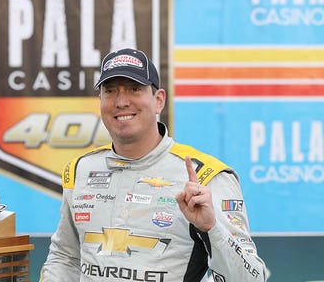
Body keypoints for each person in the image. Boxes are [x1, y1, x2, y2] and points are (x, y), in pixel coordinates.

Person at [40, 48, 269, 281]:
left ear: (159, 100)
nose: (121, 101)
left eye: (134, 89)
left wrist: (211, 228)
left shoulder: (207, 176)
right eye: (110, 91)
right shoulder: (81, 169)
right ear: (100, 101)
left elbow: (252, 278)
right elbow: (65, 257)